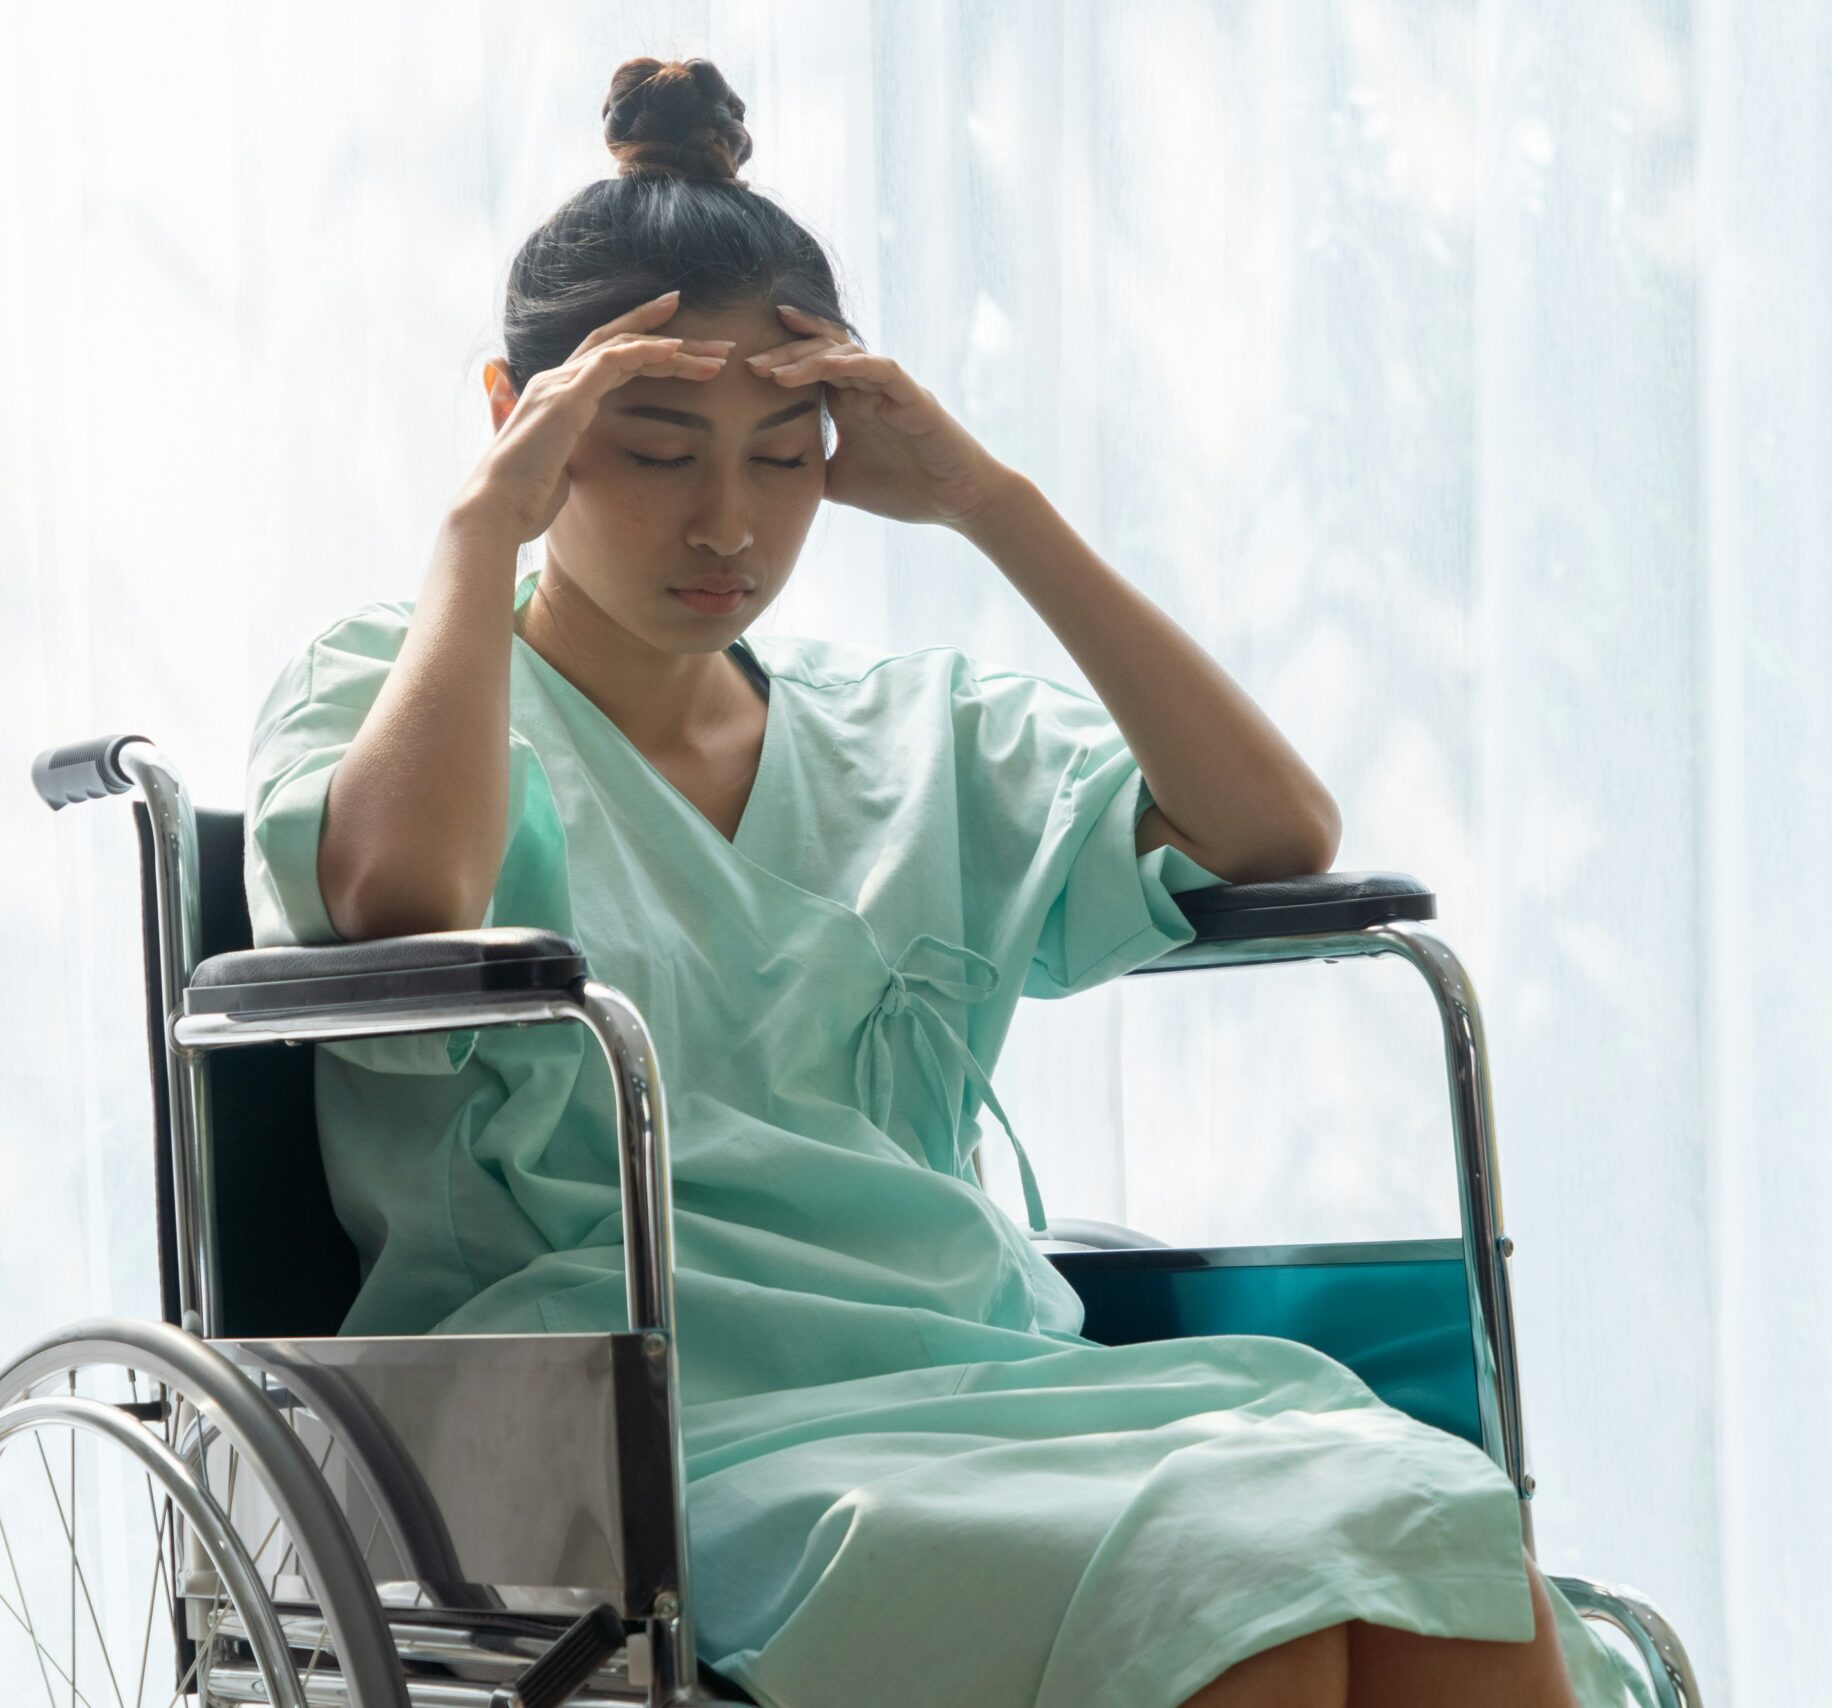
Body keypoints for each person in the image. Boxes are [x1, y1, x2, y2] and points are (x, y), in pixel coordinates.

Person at [242, 54, 1640, 1708]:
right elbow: (404, 903)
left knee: (1406, 1516)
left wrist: (994, 504)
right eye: (657, 446)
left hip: (978, 1366)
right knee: (1234, 1596)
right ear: (522, 425)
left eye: (784, 455)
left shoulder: (909, 735)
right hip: (634, 1427)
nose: (728, 525)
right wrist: (480, 531)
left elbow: (1276, 832)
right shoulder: (394, 689)